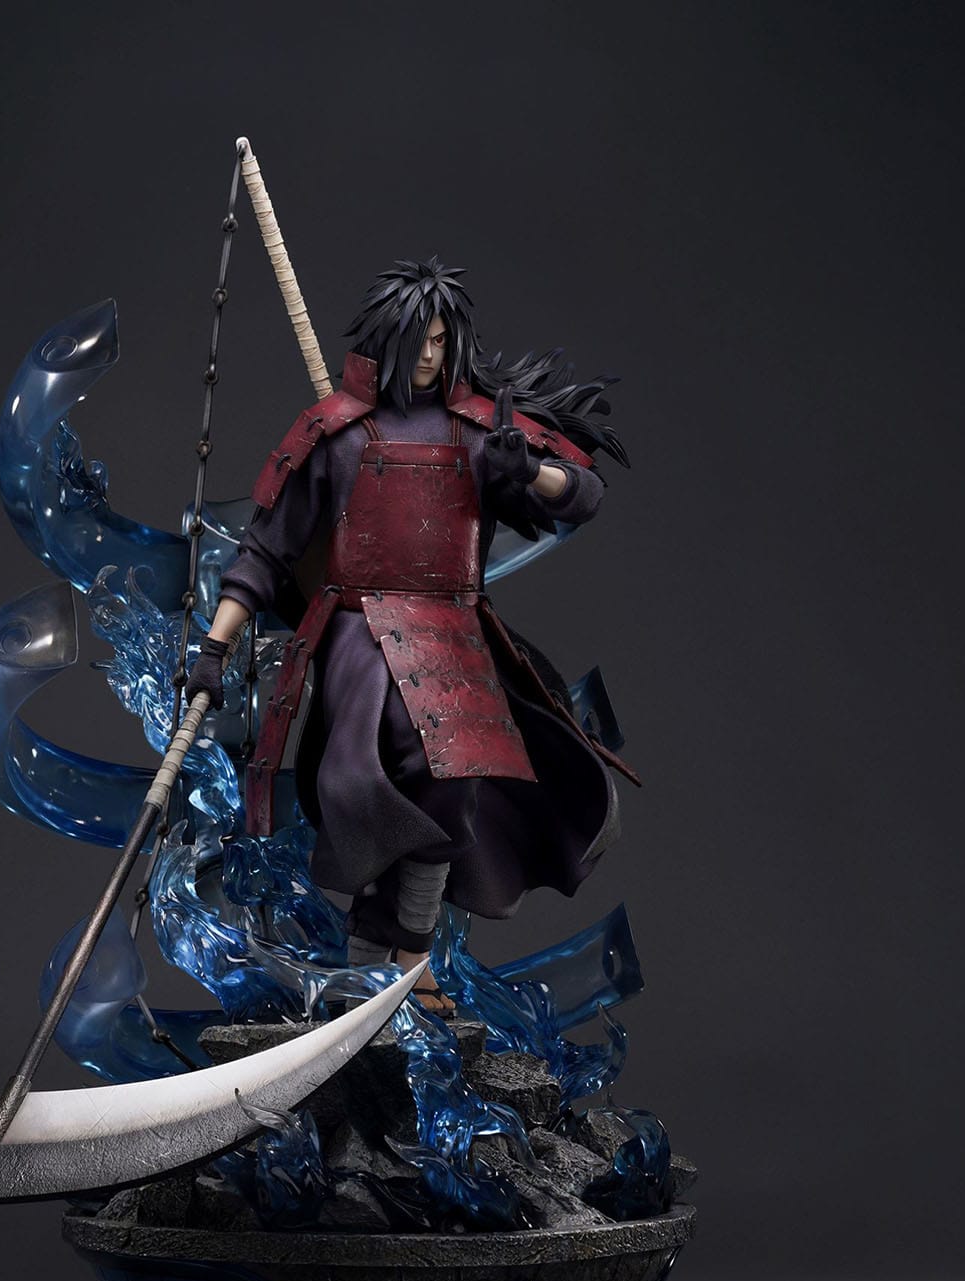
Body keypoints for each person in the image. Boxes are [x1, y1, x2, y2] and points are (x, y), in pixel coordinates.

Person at [188, 259, 636, 1015]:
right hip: (362, 633)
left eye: (440, 340)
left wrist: (529, 473)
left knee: (453, 788)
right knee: (375, 777)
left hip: (454, 633)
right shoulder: (335, 435)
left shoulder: (479, 430)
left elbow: (584, 493)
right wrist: (215, 647)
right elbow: (265, 552)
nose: (430, 355)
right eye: (418, 339)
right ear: (388, 339)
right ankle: (379, 960)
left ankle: (403, 961)